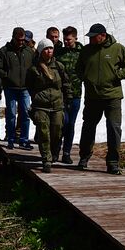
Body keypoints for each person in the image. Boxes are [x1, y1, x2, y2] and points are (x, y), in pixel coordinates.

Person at [76, 23, 125, 174]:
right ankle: (83, 158)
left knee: (114, 129)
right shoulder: (86, 50)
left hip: (112, 97)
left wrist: (117, 75)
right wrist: (85, 78)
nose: (90, 40)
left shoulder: (117, 48)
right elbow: (78, 68)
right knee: (88, 127)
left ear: (102, 35)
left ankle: (113, 162)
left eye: (93, 37)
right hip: (92, 97)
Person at [26, 40, 67, 172]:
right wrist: (36, 97)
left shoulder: (59, 66)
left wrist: (68, 98)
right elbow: (29, 85)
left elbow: (66, 83)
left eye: (51, 48)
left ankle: (54, 152)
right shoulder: (34, 68)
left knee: (56, 131)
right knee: (44, 132)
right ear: (40, 51)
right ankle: (46, 159)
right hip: (41, 106)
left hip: (57, 105)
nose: (49, 51)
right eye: (46, 49)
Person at [0, 27, 35, 150]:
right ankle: (11, 139)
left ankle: (24, 139)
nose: (21, 42)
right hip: (10, 88)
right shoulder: (4, 51)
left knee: (25, 114)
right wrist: (7, 76)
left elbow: (35, 68)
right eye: (18, 40)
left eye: (23, 40)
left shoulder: (29, 52)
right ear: (13, 38)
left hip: (25, 88)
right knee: (11, 114)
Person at [55, 26, 83, 164]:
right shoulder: (59, 53)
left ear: (75, 38)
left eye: (69, 40)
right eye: (65, 39)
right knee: (61, 123)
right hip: (61, 95)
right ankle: (55, 151)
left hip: (76, 94)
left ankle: (66, 153)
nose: (66, 42)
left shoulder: (82, 52)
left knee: (71, 124)